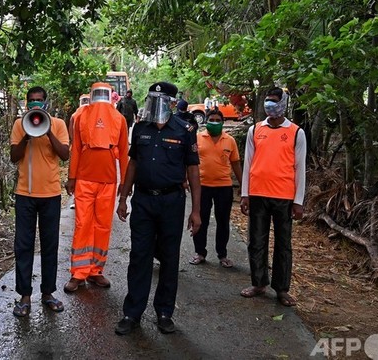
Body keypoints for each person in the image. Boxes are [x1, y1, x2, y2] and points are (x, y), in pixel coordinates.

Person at [114, 81, 201, 336]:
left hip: (171, 202)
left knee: (169, 256)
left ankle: (164, 312)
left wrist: (196, 211)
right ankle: (132, 313)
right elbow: (133, 163)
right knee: (139, 255)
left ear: (173, 103)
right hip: (143, 201)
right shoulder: (140, 128)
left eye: (163, 101)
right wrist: (123, 198)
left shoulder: (185, 129)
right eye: (153, 99)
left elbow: (193, 171)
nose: (158, 104)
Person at [239, 87, 306, 307]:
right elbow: (248, 163)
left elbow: (300, 168)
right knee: (256, 241)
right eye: (267, 101)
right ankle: (259, 283)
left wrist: (298, 201)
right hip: (258, 194)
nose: (270, 105)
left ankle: (281, 289)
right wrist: (245, 194)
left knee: (283, 244)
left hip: (284, 197)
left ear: (284, 103)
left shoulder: (296, 132)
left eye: (274, 101)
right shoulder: (255, 130)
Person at [9, 86, 70, 317]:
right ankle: (25, 296)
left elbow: (64, 154)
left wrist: (46, 131)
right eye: (32, 101)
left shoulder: (58, 124)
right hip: (25, 194)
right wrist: (27, 132)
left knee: (50, 246)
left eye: (39, 101)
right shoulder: (18, 124)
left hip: (51, 195)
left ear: (46, 103)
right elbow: (14, 157)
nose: (36, 105)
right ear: (27, 104)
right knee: (23, 246)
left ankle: (47, 293)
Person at [64, 82, 129, 293]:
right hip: (84, 178)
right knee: (83, 223)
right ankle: (78, 273)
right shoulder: (81, 116)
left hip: (108, 180)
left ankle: (95, 270)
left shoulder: (119, 119)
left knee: (103, 225)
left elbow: (124, 152)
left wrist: (124, 184)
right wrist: (72, 177)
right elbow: (75, 150)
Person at [189, 108, 242, 268]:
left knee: (223, 222)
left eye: (218, 121)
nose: (215, 123)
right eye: (212, 120)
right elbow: (190, 163)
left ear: (223, 122)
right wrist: (186, 180)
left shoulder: (230, 140)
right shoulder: (197, 138)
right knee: (200, 220)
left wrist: (243, 185)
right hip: (202, 187)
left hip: (224, 187)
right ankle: (200, 252)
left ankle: (222, 254)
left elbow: (235, 163)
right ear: (206, 121)